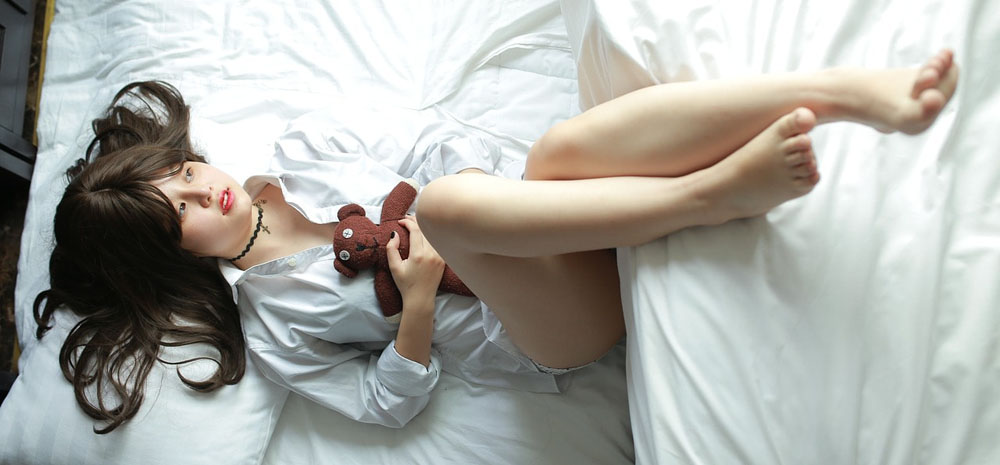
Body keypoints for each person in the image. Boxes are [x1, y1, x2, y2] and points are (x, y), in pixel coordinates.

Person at [35, 49, 959, 432]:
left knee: (548, 150)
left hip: (537, 210)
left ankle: (846, 95)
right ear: (178, 256)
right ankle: (715, 193)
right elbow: (383, 403)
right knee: (448, 212)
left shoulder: (308, 150)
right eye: (183, 210)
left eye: (186, 171)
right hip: (548, 327)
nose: (205, 187)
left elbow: (443, 143)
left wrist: (430, 198)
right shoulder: (275, 326)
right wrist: (420, 308)